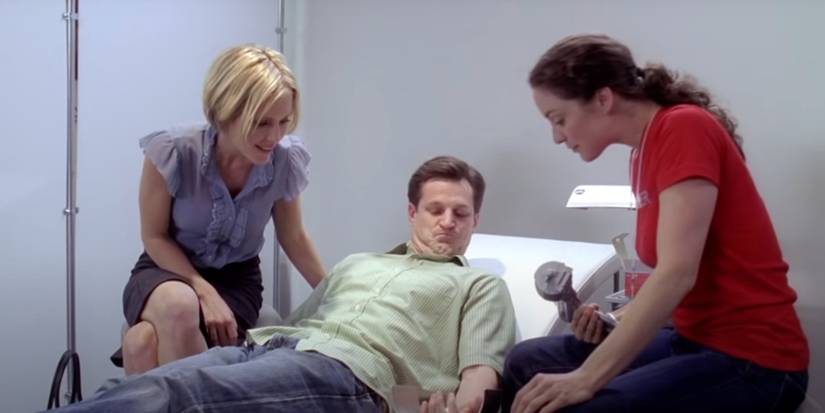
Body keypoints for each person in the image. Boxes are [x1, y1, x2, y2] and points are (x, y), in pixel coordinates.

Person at [55, 156, 517, 413]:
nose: (447, 222)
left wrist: (455, 407)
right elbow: (301, 322)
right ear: (412, 212)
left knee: (175, 397)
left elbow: (480, 381)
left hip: (352, 376)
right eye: (436, 209)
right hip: (275, 348)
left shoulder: (479, 286)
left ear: (476, 219)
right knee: (138, 386)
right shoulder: (358, 263)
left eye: (460, 213)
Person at [502, 34, 809, 413]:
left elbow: (678, 274)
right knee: (526, 362)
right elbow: (674, 276)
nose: (556, 136)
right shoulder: (642, 153)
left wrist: (587, 378)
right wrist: (614, 318)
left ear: (603, 99)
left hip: (755, 361)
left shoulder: (684, 128)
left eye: (559, 119)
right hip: (692, 337)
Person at [114, 45, 326, 375]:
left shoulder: (285, 159)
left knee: (142, 342)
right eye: (261, 123)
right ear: (226, 112)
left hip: (237, 280)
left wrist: (335, 295)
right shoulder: (173, 151)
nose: (275, 136)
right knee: (179, 305)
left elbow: (294, 237)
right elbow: (153, 237)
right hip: (166, 270)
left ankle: (143, 351)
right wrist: (203, 290)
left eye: (284, 121)